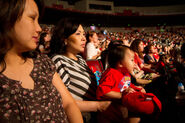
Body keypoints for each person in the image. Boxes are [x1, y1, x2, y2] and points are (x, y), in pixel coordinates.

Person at [0, 0, 83, 122]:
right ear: (7, 17)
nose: (39, 28)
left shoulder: (42, 61)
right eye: (32, 18)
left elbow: (69, 104)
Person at [49, 18, 127, 123]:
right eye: (78, 34)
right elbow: (60, 101)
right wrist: (97, 106)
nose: (84, 38)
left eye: (83, 34)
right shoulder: (59, 60)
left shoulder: (80, 59)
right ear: (65, 39)